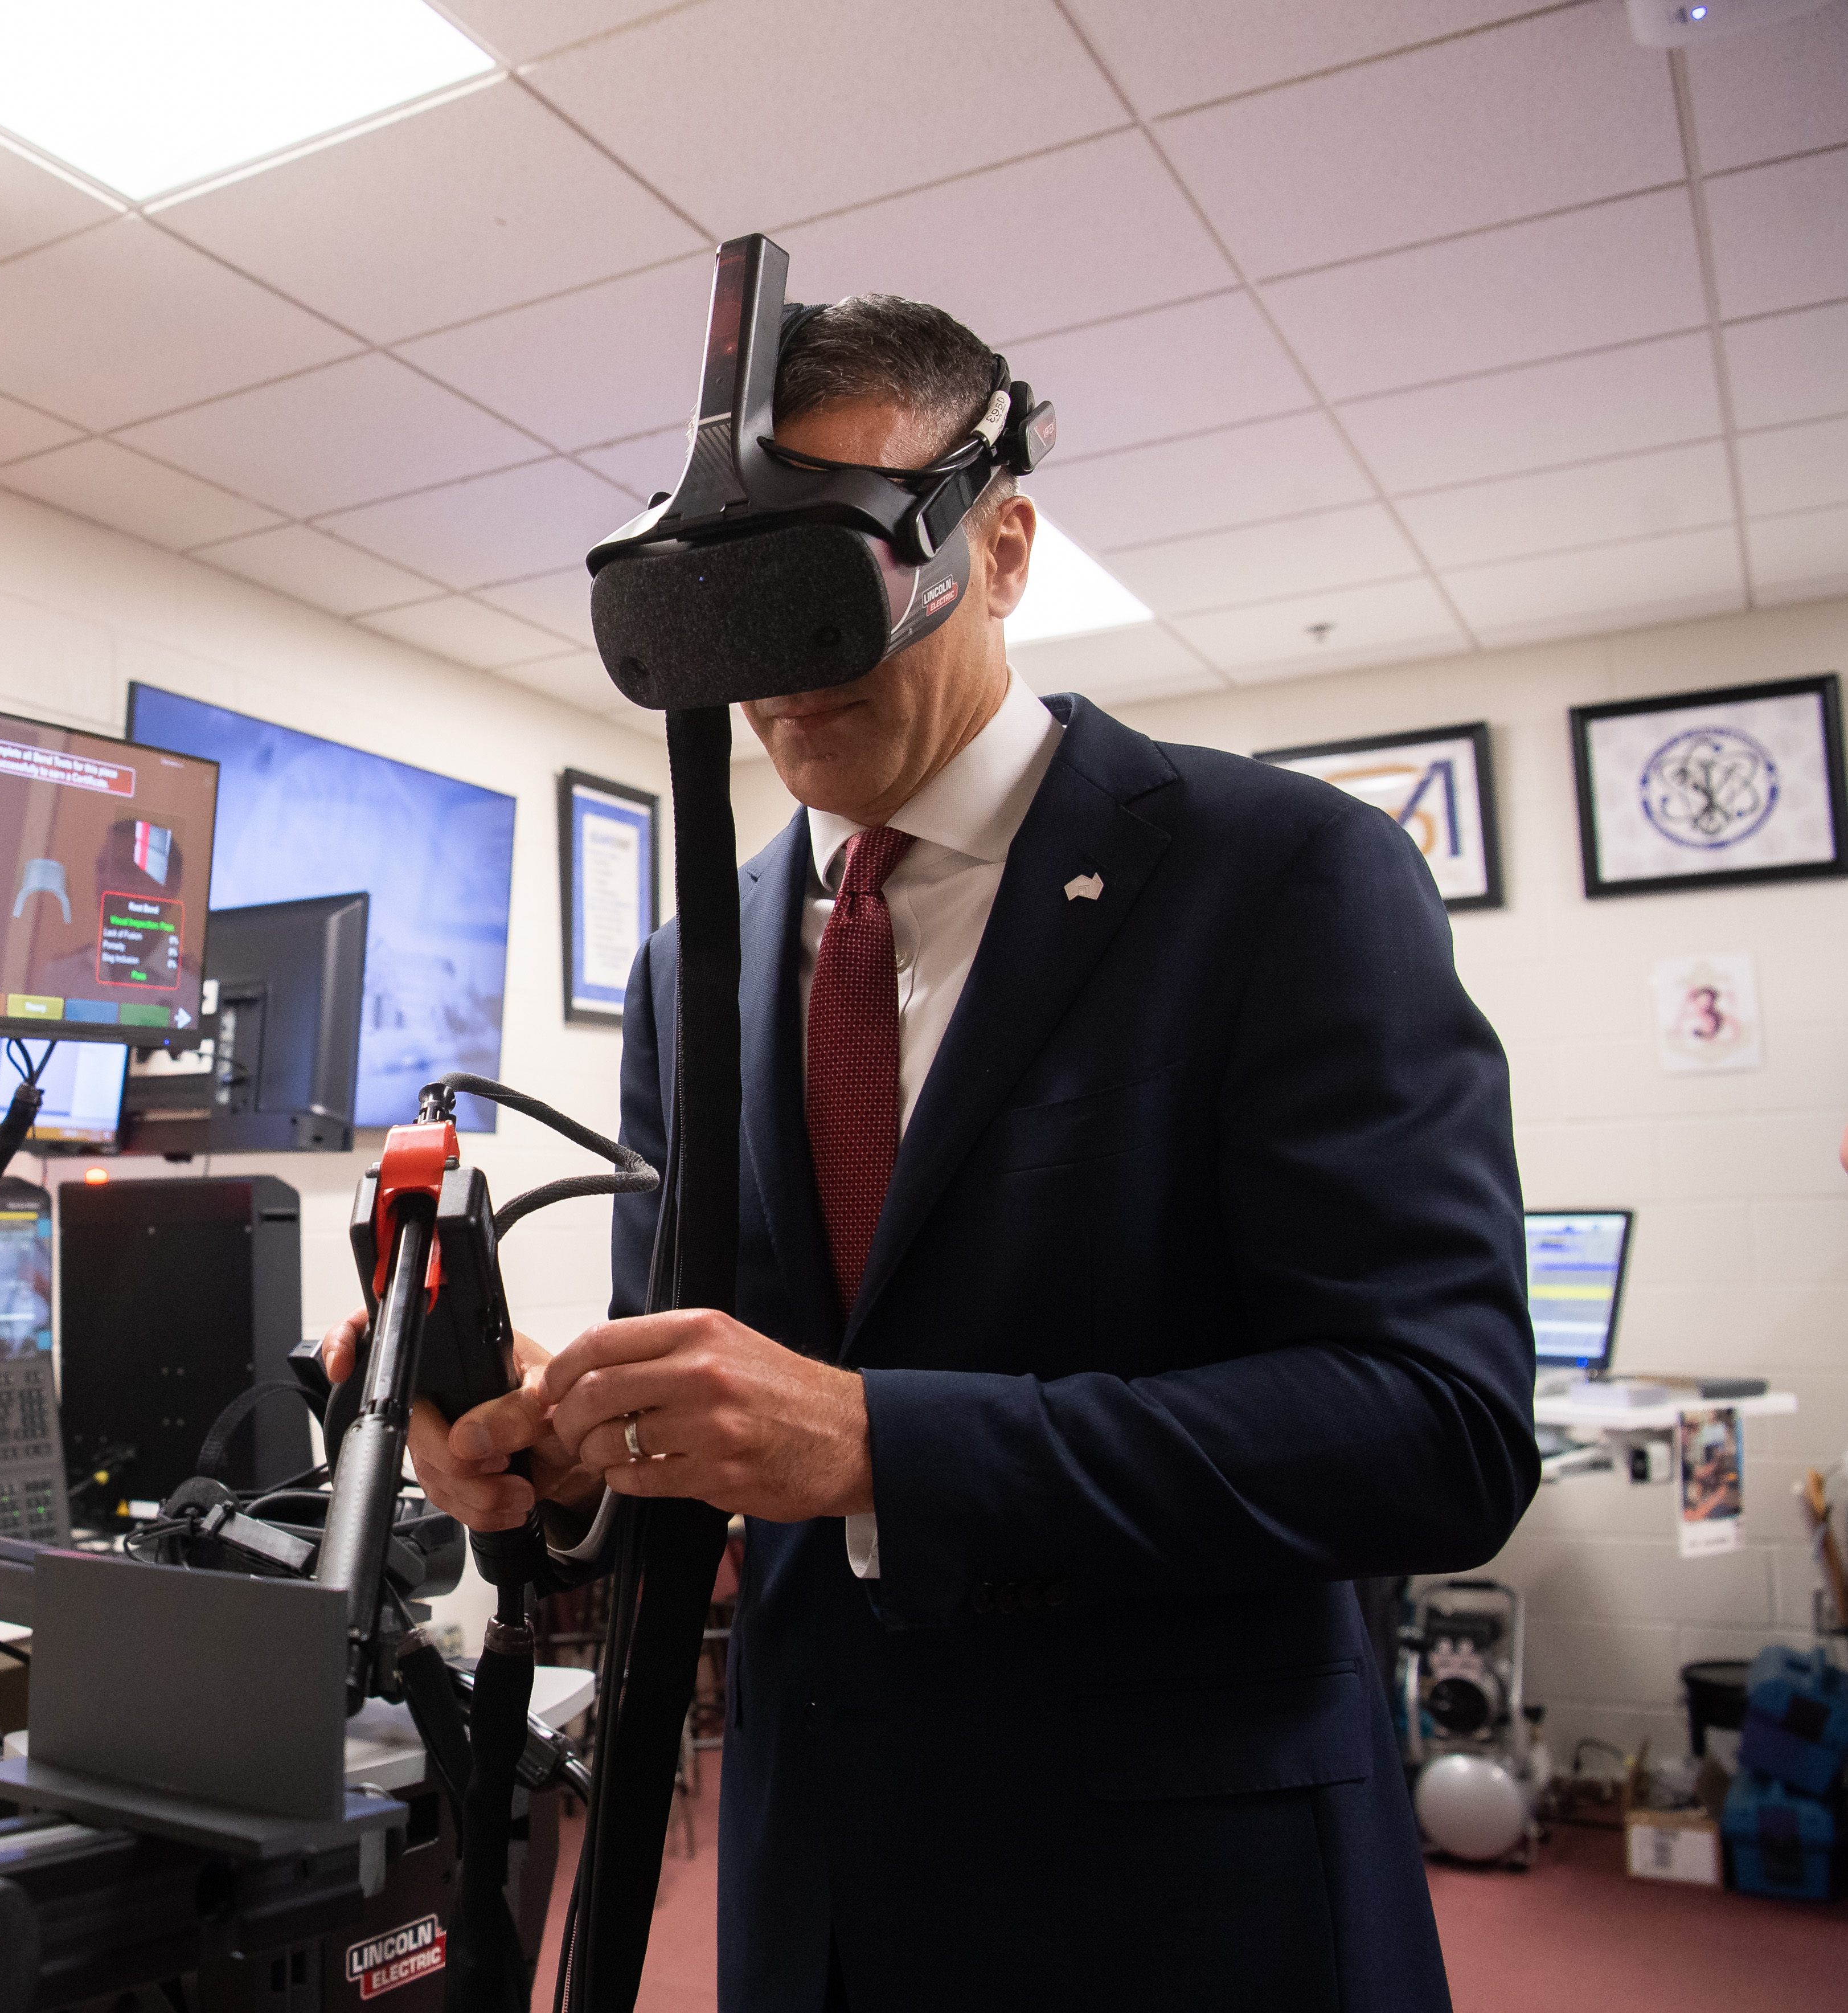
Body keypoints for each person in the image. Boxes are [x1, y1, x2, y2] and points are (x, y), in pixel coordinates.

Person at [322, 296, 1539, 2010]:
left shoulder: (1283, 880)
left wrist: (884, 1443)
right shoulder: (700, 967)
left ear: (1006, 544)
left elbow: (1444, 1429)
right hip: (824, 1890)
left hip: (1184, 1897)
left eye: (836, 578)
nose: (789, 665)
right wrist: (556, 1453)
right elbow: (716, 1444)